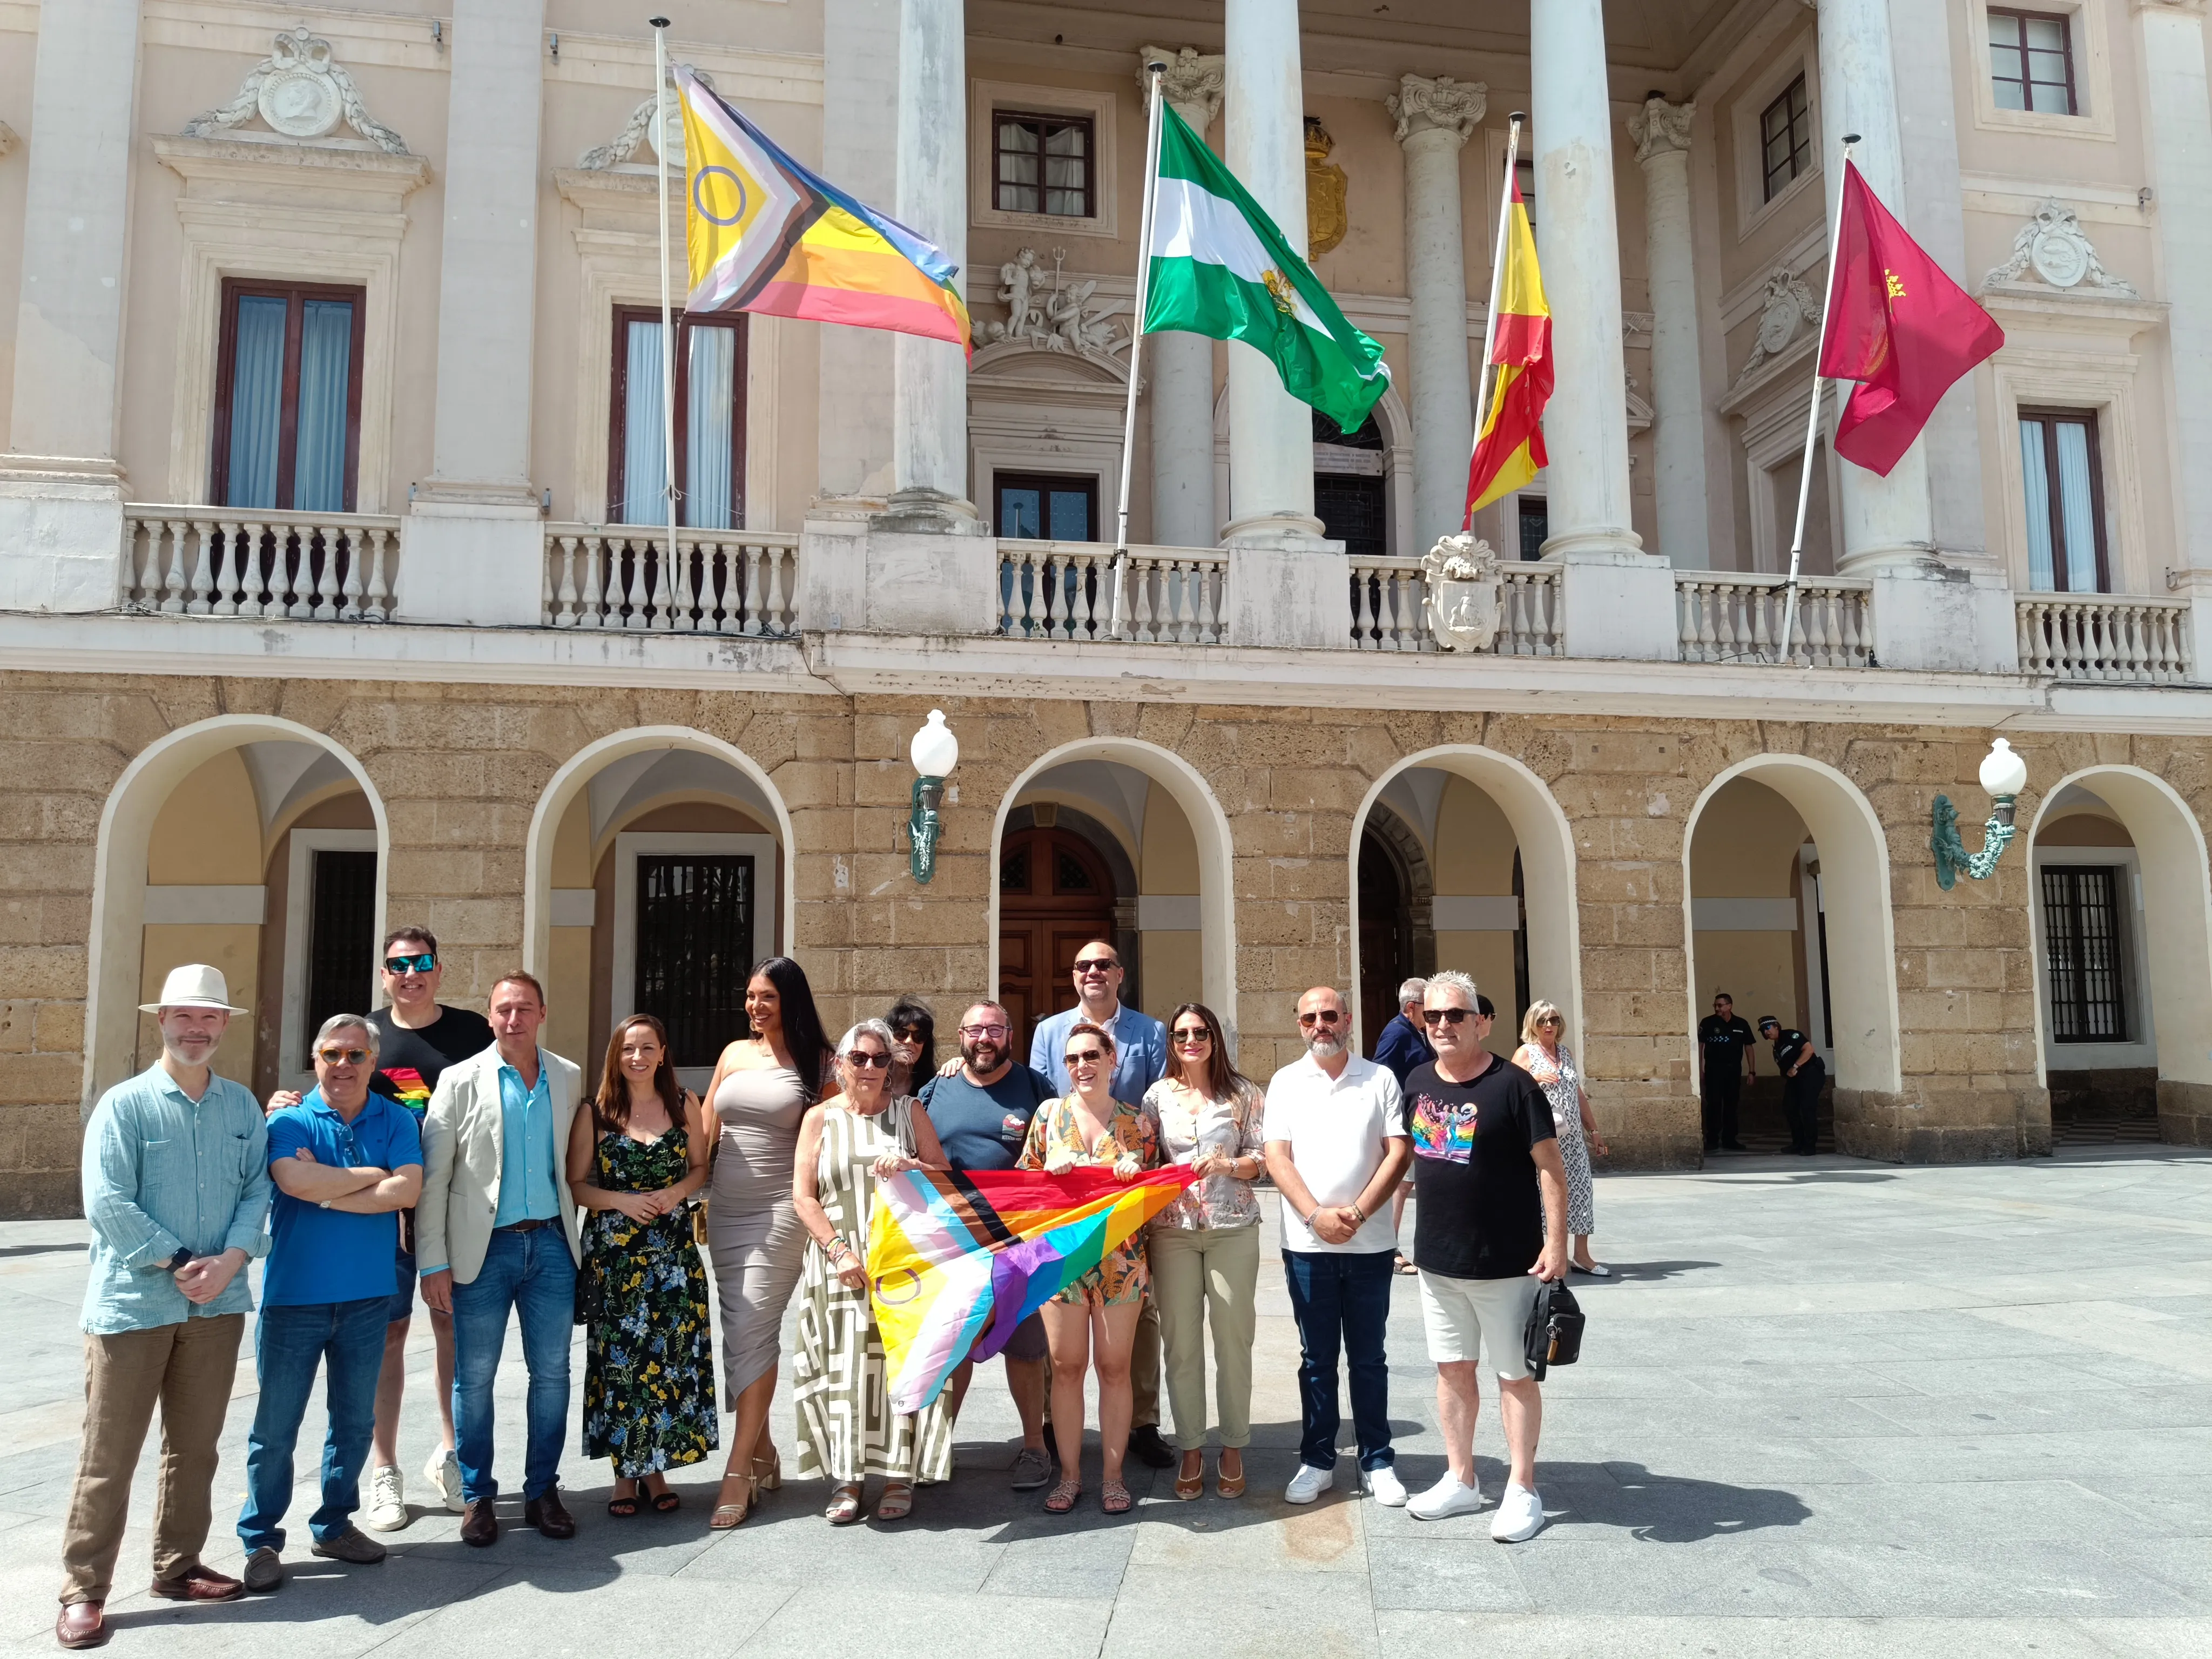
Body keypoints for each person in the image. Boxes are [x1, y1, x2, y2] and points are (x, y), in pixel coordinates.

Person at [58, 965, 270, 1649]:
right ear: (161, 1021)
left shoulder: (242, 1108)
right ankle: (84, 1590)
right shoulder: (124, 1106)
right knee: (108, 1455)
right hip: (133, 1306)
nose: (196, 1029)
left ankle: (177, 1567)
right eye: (184, 1016)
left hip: (217, 1307)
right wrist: (181, 1262)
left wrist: (231, 1261)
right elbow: (107, 1202)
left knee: (195, 1449)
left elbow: (257, 1194)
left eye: (209, 1018)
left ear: (225, 1026)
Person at [238, 1015, 422, 1591]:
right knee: (276, 1427)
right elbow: (292, 1181)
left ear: (373, 1060)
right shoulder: (288, 1118)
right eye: (332, 1054)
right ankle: (261, 1538)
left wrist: (329, 1186)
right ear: (315, 1059)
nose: (343, 1065)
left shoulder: (395, 1118)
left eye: (356, 1056)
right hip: (295, 1298)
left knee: (353, 1422)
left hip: (368, 1296)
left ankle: (334, 1523)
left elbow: (407, 1190)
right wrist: (369, 1178)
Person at [416, 971, 585, 1548]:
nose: (513, 1019)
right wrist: (432, 1261)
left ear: (542, 1014)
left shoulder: (567, 1076)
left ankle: (543, 1489)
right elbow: (435, 1179)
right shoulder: (460, 1080)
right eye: (503, 1010)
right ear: (490, 1017)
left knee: (553, 1375)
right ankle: (478, 1496)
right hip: (481, 1251)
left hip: (552, 1248)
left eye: (524, 1009)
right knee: (475, 1378)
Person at [1400, 972, 1568, 1539]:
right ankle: (1462, 1479)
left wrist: (1557, 1243)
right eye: (1432, 1017)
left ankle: (1523, 1488)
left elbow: (1550, 1167)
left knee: (1514, 1375)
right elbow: (1411, 1165)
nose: (1442, 1025)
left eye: (1454, 1015)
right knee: (1451, 1371)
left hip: (1507, 1262)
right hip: (1438, 1261)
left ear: (1481, 1021)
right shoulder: (1419, 1080)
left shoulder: (1514, 1085)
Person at [791, 1020, 956, 1523]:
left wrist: (911, 1168)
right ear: (840, 1064)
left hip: (905, 1263)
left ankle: (900, 1475)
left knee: (901, 1364)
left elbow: (947, 1180)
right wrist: (838, 1250)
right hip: (841, 1263)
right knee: (846, 1369)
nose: (869, 1067)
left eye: (879, 1059)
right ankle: (848, 1476)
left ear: (892, 1067)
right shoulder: (819, 1118)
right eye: (858, 1058)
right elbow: (803, 1195)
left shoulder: (910, 1112)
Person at [1262, 986, 1411, 1509]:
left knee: (1369, 1358)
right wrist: (1315, 1216)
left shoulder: (1379, 1079)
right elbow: (1276, 1158)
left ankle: (1377, 1459)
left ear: (1347, 1019)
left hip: (1369, 1244)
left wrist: (1357, 1213)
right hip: (1306, 1246)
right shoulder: (1284, 1083)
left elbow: (1398, 1152)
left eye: (1329, 1015)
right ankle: (1318, 1459)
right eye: (1310, 1018)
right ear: (1299, 1024)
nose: (1320, 1025)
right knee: (1316, 1360)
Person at [1027, 941, 1174, 1469]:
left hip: (1126, 1196)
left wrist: (1141, 1163)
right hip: (1067, 1213)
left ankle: (1142, 1424)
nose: (1092, 972)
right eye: (1082, 966)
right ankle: (1054, 1427)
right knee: (1063, 1354)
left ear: (1120, 975)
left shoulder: (1150, 1032)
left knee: (1137, 1332)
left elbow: (1160, 1096)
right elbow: (1039, 1096)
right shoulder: (1049, 1032)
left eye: (1102, 965)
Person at [362, 927, 492, 1529]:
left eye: (421, 963)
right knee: (388, 1334)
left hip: (453, 1205)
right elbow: (330, 1092)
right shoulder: (364, 1035)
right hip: (386, 1211)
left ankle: (451, 1456)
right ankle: (383, 1470)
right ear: (384, 974)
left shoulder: (471, 1033)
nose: (409, 973)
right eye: (397, 965)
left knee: (452, 1328)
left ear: (439, 970)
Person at [700, 955, 835, 1528]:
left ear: (791, 1002)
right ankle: (764, 1449)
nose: (755, 1007)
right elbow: (707, 1127)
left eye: (768, 998)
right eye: (751, 996)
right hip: (725, 1209)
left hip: (780, 1211)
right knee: (737, 1329)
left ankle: (738, 1469)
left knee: (753, 1322)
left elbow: (835, 1135)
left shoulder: (819, 1062)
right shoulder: (733, 1053)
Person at [566, 1014, 716, 1517]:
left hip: (673, 1257)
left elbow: (700, 1168)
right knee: (621, 1365)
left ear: (662, 1052)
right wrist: (622, 1202)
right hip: (616, 1259)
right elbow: (578, 1184)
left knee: (667, 1361)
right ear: (616, 1054)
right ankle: (626, 1476)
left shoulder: (684, 1105)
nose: (637, 1057)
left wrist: (674, 1192)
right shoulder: (598, 1111)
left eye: (647, 1048)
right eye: (628, 1048)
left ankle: (655, 1467)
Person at [1019, 1021, 1158, 1516]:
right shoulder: (1048, 1116)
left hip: (1121, 1263)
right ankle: (1072, 1476)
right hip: (1062, 1262)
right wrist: (1047, 1171)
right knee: (1067, 1367)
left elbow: (1156, 1194)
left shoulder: (1136, 1123)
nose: (1082, 1066)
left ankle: (1115, 1478)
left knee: (1115, 1368)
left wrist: (1135, 1176)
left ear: (1112, 1059)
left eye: (1092, 1056)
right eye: (1074, 1059)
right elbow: (1024, 1190)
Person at [917, 1001, 1057, 1492]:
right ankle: (938, 1449)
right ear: (960, 1035)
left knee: (1025, 1348)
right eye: (976, 1029)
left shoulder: (1035, 1087)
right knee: (954, 1343)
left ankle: (1034, 1447)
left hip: (1019, 1242)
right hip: (952, 1240)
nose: (984, 1038)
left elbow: (1057, 1143)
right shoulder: (937, 1088)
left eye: (994, 1029)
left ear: (1010, 1037)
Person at [1142, 1002, 1266, 1501]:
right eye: (1180, 1034)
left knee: (1234, 1340)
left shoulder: (1244, 1093)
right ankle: (1191, 1446)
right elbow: (1146, 1158)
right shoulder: (1157, 1097)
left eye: (1199, 1032)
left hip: (1232, 1226)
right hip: (1171, 1231)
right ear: (1171, 1043)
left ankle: (1233, 1445)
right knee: (1181, 1345)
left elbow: (1264, 1159)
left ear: (1215, 1037)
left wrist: (1228, 1165)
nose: (1190, 1041)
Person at [1512, 1000, 1611, 1278]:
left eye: (1553, 1020)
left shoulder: (1565, 1053)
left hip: (1573, 1138)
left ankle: (1582, 1256)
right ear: (1532, 1023)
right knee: (1546, 1195)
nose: (1548, 1026)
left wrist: (1594, 1130)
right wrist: (1533, 1077)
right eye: (1542, 1020)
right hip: (1544, 1137)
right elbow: (1510, 1088)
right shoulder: (1526, 1053)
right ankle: (1547, 1253)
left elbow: (1577, 1093)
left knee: (1582, 1190)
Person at [1374, 977, 1431, 1273]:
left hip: (1422, 1117)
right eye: (1427, 1005)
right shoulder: (1397, 1032)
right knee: (1401, 1182)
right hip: (1405, 1118)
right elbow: (1381, 1072)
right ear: (1412, 1007)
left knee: (1409, 1181)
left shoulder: (1419, 1031)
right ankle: (1390, 1248)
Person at [1696, 993, 1755, 1154]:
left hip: (1733, 1071)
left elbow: (1749, 1048)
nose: (1717, 1008)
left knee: (1732, 1105)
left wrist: (1752, 1071)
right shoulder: (1708, 1023)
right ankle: (1712, 1139)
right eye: (1715, 1005)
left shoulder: (1741, 1024)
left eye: (1720, 1005)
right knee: (1714, 1104)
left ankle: (1730, 1139)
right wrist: (1699, 1069)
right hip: (1713, 1070)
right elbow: (1700, 1046)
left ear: (1729, 1006)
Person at [1759, 1015, 1826, 1155]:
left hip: (1811, 1074)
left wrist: (1796, 1066)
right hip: (1795, 1080)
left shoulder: (1791, 1035)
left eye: (1768, 1028)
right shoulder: (1776, 1048)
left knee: (1807, 1109)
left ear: (1776, 1026)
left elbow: (1809, 1050)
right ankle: (1798, 1143)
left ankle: (1810, 1146)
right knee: (1789, 1108)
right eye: (1763, 1031)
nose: (1766, 1032)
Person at [885, 995, 937, 1097]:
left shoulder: (933, 1088)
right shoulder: (872, 1082)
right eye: (901, 1033)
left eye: (919, 1037)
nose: (909, 1041)